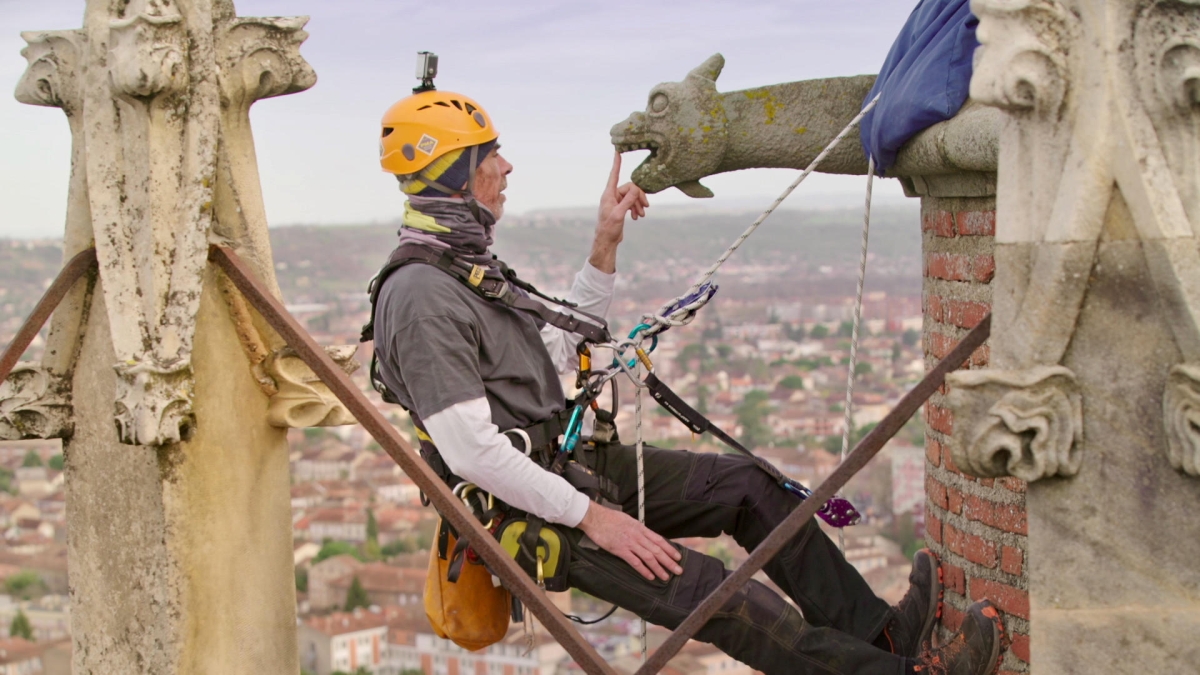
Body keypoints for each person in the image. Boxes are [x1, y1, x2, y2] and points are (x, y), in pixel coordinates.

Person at [367, 87, 1005, 675]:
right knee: (719, 599)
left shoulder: (462, 266)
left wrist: (605, 241)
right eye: (490, 153)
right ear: (455, 173)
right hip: (534, 507)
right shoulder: (422, 295)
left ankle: (883, 636)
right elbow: (471, 453)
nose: (505, 166)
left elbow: (556, 349)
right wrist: (595, 519)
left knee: (751, 490)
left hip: (566, 468)